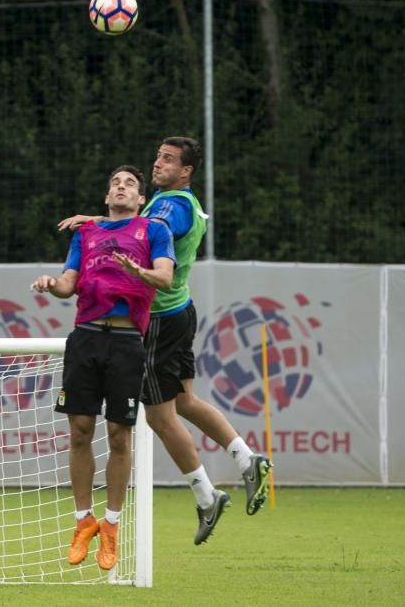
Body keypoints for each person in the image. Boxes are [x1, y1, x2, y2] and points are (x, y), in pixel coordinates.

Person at [59, 136, 273, 545]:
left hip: (156, 318)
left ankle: (208, 496)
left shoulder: (172, 206)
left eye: (168, 160)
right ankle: (245, 461)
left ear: (186, 172)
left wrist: (98, 222)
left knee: (159, 416)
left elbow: (152, 231)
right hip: (178, 312)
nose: (158, 163)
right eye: (157, 156)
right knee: (184, 402)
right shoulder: (171, 199)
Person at [31, 165, 175, 571]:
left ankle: (111, 525)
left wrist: (138, 272)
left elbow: (164, 278)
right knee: (79, 431)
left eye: (129, 183)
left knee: (119, 436)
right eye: (115, 183)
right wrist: (49, 283)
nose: (121, 187)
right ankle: (82, 521)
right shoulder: (86, 234)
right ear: (106, 197)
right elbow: (68, 284)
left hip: (128, 341)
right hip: (85, 337)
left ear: (141, 199)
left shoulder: (153, 232)